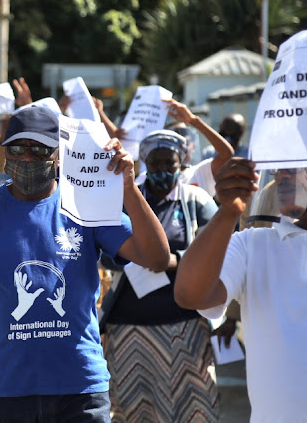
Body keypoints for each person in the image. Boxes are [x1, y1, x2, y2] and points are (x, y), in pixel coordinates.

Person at [0, 105, 170, 422]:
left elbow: (156, 259)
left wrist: (128, 189)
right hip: (4, 391)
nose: (27, 157)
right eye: (18, 148)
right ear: (5, 153)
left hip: (79, 389)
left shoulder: (84, 202)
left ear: (58, 155)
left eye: (39, 149)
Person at [174, 60, 307, 421]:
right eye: (282, 158)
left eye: (300, 161)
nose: (282, 171)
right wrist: (227, 212)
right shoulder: (255, 245)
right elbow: (190, 294)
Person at [99, 130, 219, 422]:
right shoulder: (124, 196)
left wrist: (171, 262)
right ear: (144, 163)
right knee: (134, 410)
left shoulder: (195, 200)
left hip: (184, 325)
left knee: (192, 408)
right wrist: (133, 257)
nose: (163, 170)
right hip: (129, 327)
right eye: (155, 163)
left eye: (170, 163)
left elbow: (217, 252)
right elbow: (102, 251)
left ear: (182, 162)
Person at [164, 99, 234, 197]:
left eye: (185, 140)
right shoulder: (151, 177)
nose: (179, 145)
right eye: (173, 140)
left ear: (193, 147)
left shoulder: (200, 173)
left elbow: (226, 154)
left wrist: (193, 121)